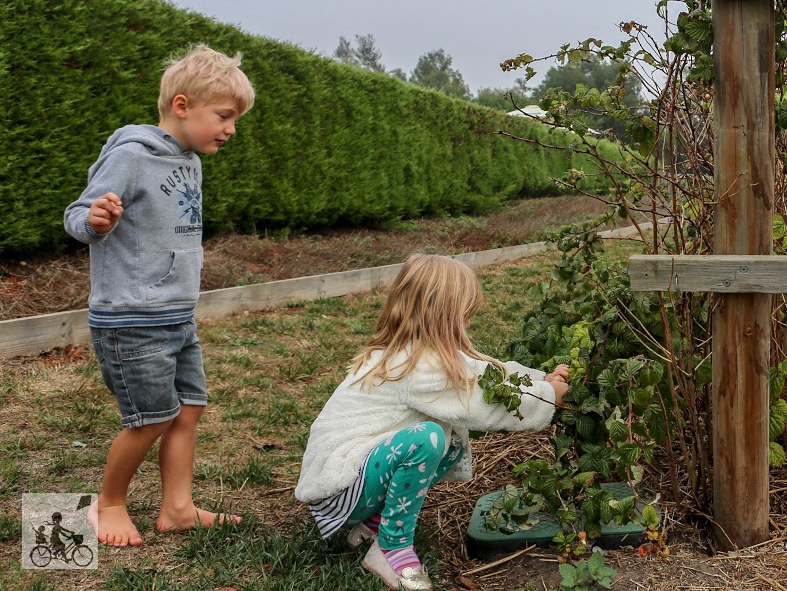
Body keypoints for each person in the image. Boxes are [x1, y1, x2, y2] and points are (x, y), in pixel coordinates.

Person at [64, 44, 255, 547]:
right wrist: (95, 219)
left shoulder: (190, 158)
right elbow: (77, 216)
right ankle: (108, 504)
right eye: (225, 116)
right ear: (183, 105)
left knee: (187, 408)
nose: (231, 128)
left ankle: (178, 509)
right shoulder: (130, 154)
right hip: (131, 317)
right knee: (149, 419)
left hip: (176, 315)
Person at [296, 254, 570, 591]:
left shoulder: (412, 353)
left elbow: (484, 373)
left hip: (353, 477)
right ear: (441, 315)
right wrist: (547, 398)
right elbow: (483, 401)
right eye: (464, 315)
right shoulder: (415, 367)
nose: (469, 323)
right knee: (427, 438)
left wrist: (539, 379)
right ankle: (390, 545)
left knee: (450, 441)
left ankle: (374, 522)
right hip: (338, 489)